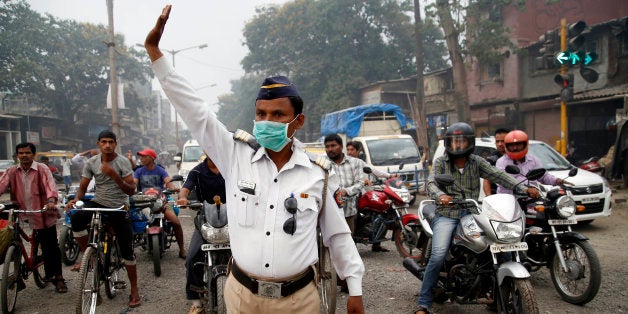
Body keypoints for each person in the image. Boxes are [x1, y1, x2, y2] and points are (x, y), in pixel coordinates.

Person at [144, 6, 365, 313]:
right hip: (242, 296)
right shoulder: (234, 154)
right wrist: (156, 54)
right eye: (261, 114)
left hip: (299, 301)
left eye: (278, 115)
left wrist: (355, 288)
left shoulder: (318, 174)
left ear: (298, 121)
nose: (266, 122)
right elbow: (195, 112)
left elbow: (337, 235)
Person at [416, 122, 539, 314]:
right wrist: (440, 196)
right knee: (438, 254)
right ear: (448, 144)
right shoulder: (441, 162)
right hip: (447, 214)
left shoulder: (476, 162)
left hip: (472, 212)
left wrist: (524, 189)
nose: (458, 146)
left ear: (470, 143)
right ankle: (424, 303)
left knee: (500, 246)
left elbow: (499, 175)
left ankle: (496, 293)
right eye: (454, 142)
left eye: (462, 142)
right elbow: (431, 183)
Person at [64, 130, 141, 308]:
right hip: (98, 202)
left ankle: (135, 290)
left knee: (127, 250)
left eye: (110, 142)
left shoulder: (122, 162)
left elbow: (131, 191)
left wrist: (114, 175)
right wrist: (76, 200)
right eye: (104, 142)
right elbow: (83, 188)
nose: (107, 145)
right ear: (98, 143)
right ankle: (88, 256)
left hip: (119, 206)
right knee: (76, 219)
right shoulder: (91, 162)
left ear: (115, 143)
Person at [0, 142, 68, 293]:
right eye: (21, 153)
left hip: (42, 212)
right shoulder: (11, 171)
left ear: (33, 154)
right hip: (21, 212)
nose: (24, 156)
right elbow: (1, 185)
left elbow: (51, 187)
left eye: (27, 153)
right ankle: (16, 276)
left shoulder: (42, 169)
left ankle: (58, 278)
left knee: (50, 246)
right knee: (11, 238)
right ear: (17, 155)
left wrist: (51, 202)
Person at [176, 154, 226, 314]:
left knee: (250, 256)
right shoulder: (196, 172)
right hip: (205, 220)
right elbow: (185, 189)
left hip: (233, 220)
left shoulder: (231, 167)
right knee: (191, 259)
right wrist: (183, 198)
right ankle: (196, 302)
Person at [133, 148, 186, 258]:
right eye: (141, 157)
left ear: (152, 158)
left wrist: (172, 188)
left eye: (144, 157)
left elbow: (168, 182)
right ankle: (129, 251)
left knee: (176, 222)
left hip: (161, 202)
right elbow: (134, 184)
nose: (141, 159)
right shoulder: (138, 171)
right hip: (144, 203)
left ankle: (182, 249)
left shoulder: (160, 170)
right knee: (129, 221)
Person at [495, 130, 571, 195]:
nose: (515, 148)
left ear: (525, 144)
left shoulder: (533, 159)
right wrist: (526, 188)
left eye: (518, 145)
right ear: (507, 146)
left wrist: (557, 180)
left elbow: (543, 176)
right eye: (512, 145)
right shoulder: (501, 162)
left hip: (531, 198)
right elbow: (505, 180)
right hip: (509, 199)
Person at [325, 134, 366, 237]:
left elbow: (360, 183)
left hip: (348, 213)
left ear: (341, 146)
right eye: (327, 146)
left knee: (348, 244)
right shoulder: (323, 164)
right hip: (329, 215)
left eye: (333, 145)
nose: (330, 149)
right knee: (329, 245)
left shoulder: (355, 162)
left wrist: (346, 191)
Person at [482, 127, 510, 196]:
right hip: (497, 198)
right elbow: (486, 181)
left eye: (503, 141)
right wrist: (490, 198)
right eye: (497, 141)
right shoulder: (492, 159)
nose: (500, 144)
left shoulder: (517, 157)